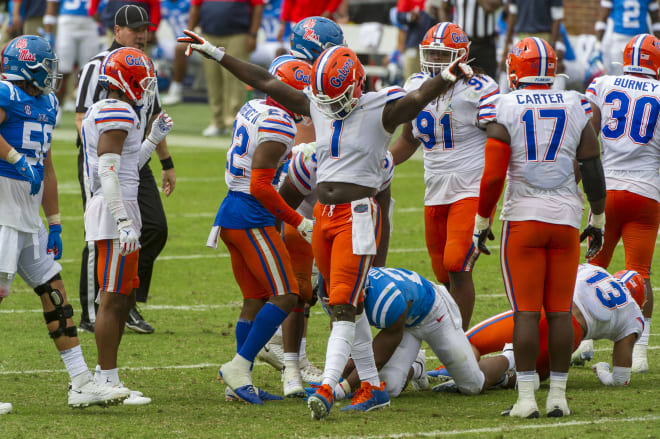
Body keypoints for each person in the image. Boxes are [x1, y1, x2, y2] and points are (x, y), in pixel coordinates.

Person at [178, 28, 471, 419]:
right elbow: (263, 79)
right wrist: (214, 52)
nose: (330, 107)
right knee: (343, 306)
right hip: (324, 218)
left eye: (338, 98)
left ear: (357, 86)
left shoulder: (379, 108)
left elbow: (416, 99)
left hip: (358, 216)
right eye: (325, 99)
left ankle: (330, 387)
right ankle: (371, 385)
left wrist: (446, 78)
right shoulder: (319, 101)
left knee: (345, 308)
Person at [473, 37, 606, 418]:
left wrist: (482, 220)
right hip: (565, 218)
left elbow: (493, 176)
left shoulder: (504, 104)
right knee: (561, 312)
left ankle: (527, 398)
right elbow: (593, 167)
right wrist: (597, 217)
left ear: (516, 69)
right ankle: (559, 397)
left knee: (527, 313)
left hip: (524, 219)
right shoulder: (575, 102)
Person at [0, 35, 130, 412]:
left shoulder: (47, 102)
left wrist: (54, 220)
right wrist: (14, 158)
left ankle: (81, 383)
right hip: (3, 206)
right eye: (45, 66)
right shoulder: (6, 93)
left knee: (55, 294)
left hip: (26, 212)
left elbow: (47, 164)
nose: (52, 74)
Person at [202, 55, 313, 404]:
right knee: (286, 295)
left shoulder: (255, 109)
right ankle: (239, 365)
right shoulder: (280, 122)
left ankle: (238, 383)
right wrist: (299, 221)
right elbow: (262, 186)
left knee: (254, 299)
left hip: (231, 210)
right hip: (251, 216)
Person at [390, 22, 499, 330]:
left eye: (443, 54)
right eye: (432, 53)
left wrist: (491, 199)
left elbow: (499, 145)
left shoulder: (481, 89)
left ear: (462, 56)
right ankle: (449, 343)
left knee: (457, 264)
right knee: (441, 273)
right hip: (434, 188)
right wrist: (382, 164)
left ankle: (459, 347)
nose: (436, 61)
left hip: (470, 187)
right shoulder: (415, 84)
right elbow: (409, 139)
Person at [76, 4, 176, 335]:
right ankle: (93, 309)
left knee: (154, 228)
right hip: (105, 158)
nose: (142, 35)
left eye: (145, 29)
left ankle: (125, 300)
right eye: (134, 29)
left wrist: (166, 161)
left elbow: (152, 115)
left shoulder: (144, 67)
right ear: (116, 31)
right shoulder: (97, 67)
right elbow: (82, 117)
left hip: (135, 157)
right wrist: (97, 158)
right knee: (100, 234)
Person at [81, 46, 173, 405]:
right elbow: (107, 172)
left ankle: (109, 377)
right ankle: (104, 378)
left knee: (121, 297)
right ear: (128, 80)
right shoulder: (116, 111)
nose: (148, 86)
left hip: (120, 204)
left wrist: (151, 138)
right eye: (144, 79)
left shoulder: (116, 110)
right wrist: (122, 221)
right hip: (114, 209)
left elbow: (127, 168)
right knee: (113, 298)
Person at [278, 142, 395, 404]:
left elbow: (383, 210)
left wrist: (378, 265)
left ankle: (331, 384)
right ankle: (292, 367)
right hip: (305, 222)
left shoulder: (380, 158)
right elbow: (280, 206)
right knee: (300, 292)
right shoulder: (309, 159)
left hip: (353, 223)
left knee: (342, 301)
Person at [431, 264, 646, 389]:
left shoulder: (594, 269)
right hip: (569, 330)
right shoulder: (633, 313)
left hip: (543, 308)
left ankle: (446, 371)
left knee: (469, 340)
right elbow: (620, 378)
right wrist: (602, 370)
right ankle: (487, 378)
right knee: (525, 368)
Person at [585, 34, 660, 374]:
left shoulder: (602, 83)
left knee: (590, 269)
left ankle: (583, 338)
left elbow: (588, 134)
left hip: (605, 188)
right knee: (640, 273)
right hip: (645, 191)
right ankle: (640, 351)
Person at [333, 267, 514, 400]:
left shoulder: (386, 299)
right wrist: (335, 377)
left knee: (473, 385)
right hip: (406, 321)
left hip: (435, 315)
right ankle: (417, 367)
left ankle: (510, 356)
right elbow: (349, 340)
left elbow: (378, 354)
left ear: (363, 294)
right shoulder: (338, 292)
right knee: (389, 386)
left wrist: (344, 387)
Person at [187, 0, 263, 136]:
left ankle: (235, 121)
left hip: (238, 35)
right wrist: (189, 33)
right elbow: (195, 7)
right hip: (209, 34)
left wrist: (253, 34)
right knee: (212, 79)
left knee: (235, 79)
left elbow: (258, 6)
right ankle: (217, 122)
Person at [44, 0, 103, 111]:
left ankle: (88, 109)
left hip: (91, 22)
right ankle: (56, 109)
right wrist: (48, 32)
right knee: (62, 70)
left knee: (90, 70)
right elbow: (51, 5)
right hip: (67, 22)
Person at [500, 0, 565, 90]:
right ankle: (501, 99)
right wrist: (506, 46)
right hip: (521, 37)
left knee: (555, 68)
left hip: (544, 36)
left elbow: (557, 18)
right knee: (507, 66)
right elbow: (512, 14)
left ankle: (558, 100)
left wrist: (552, 45)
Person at [433, 0, 503, 78]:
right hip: (461, 44)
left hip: (485, 45)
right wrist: (448, 32)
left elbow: (489, 6)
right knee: (458, 81)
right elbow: (444, 8)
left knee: (487, 81)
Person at [594, 1, 660, 76]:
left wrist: (598, 42)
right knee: (619, 72)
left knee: (638, 73)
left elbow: (602, 20)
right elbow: (656, 22)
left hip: (636, 41)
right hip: (632, 40)